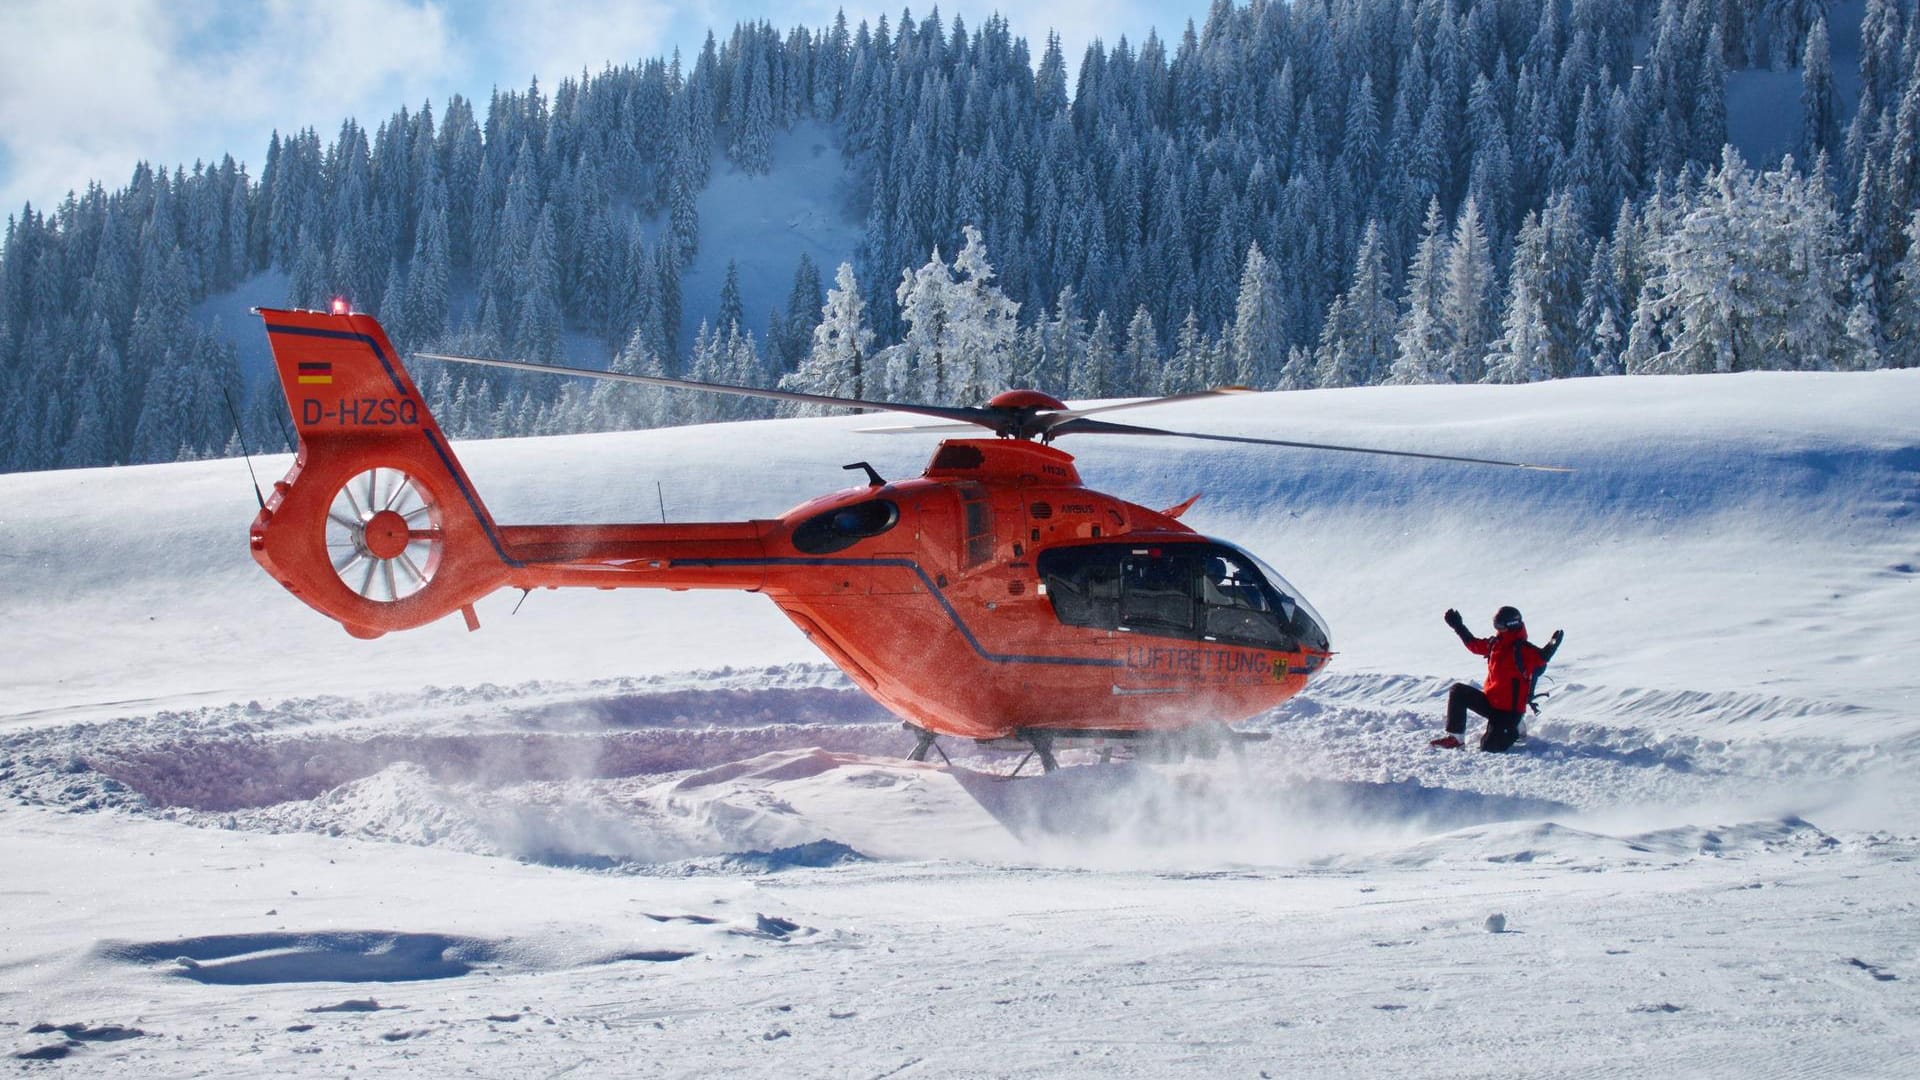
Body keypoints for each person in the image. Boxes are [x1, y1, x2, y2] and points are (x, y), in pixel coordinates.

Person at [1430, 606, 1562, 752]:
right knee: (1458, 691)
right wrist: (1458, 626)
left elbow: (1540, 659)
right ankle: (1456, 739)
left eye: (1500, 625)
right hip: (1491, 703)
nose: (1497, 629)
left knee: (1489, 747)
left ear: (1511, 625)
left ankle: (1515, 728)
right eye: (1495, 624)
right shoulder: (1495, 644)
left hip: (1509, 712)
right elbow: (1474, 645)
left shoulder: (1523, 650)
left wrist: (1551, 647)